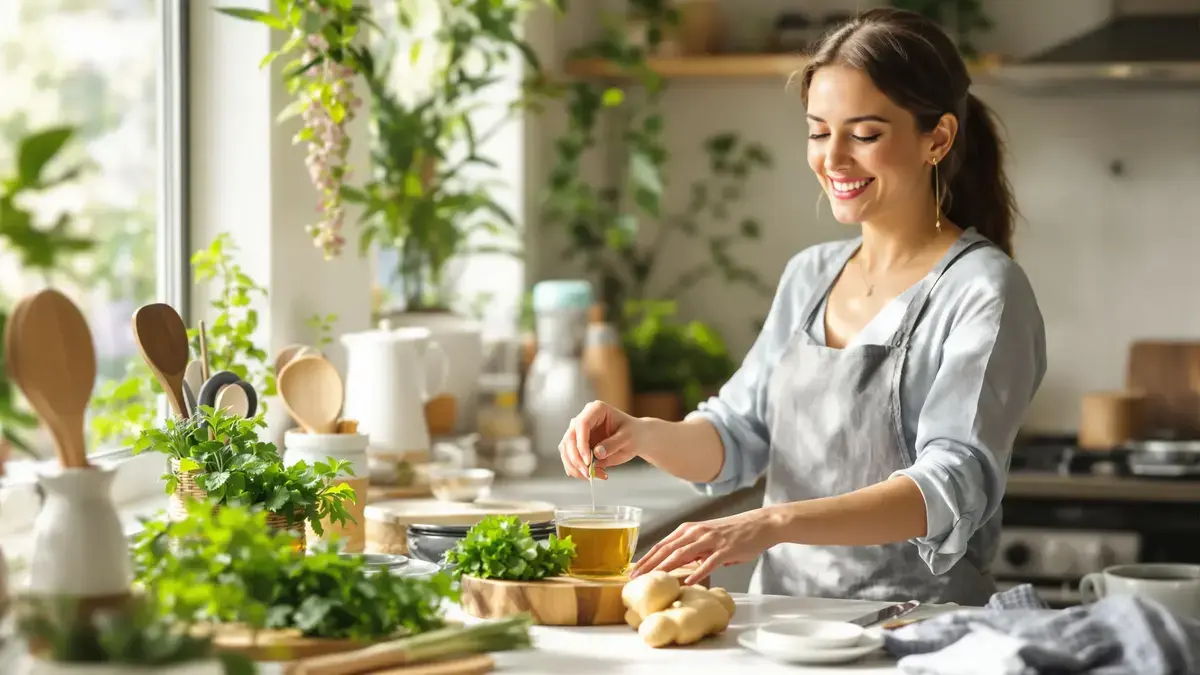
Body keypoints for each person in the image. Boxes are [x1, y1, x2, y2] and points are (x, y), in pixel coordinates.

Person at [556, 7, 1047, 606]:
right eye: (819, 131)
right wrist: (641, 434)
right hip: (785, 629)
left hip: (921, 632)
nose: (833, 159)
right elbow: (736, 435)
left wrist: (775, 522)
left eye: (864, 134)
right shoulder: (811, 274)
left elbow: (949, 484)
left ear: (936, 138)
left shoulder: (983, 290)